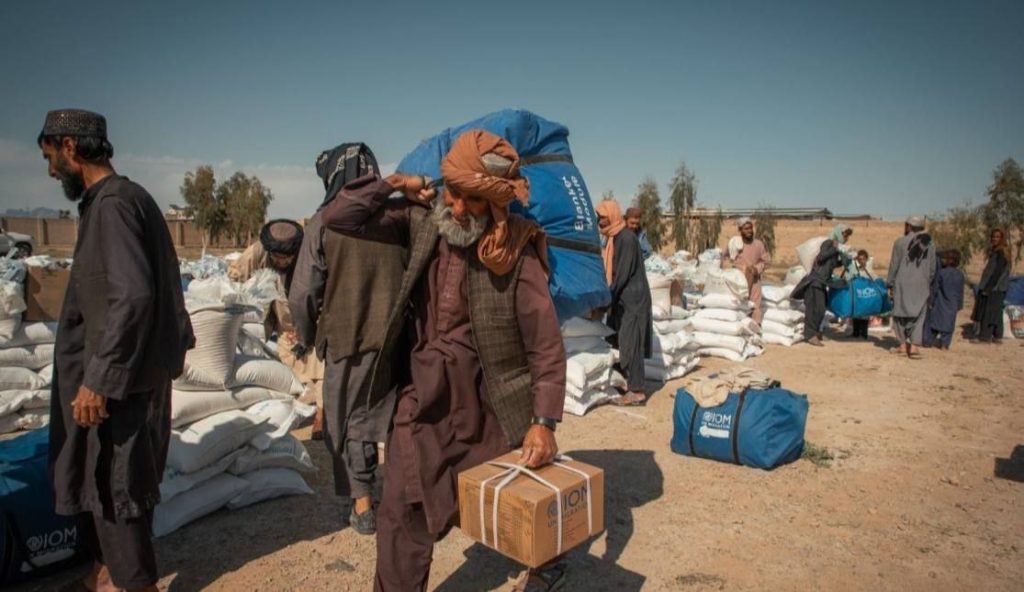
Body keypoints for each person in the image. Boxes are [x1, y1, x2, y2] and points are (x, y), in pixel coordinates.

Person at [321, 130, 566, 591]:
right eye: (453, 192)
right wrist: (394, 183)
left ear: (494, 204)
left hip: (486, 404)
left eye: (472, 200)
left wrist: (544, 421)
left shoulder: (514, 252)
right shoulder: (421, 219)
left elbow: (545, 343)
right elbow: (339, 217)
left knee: (511, 494)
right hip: (422, 396)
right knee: (402, 507)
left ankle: (548, 560)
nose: (457, 207)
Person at [38, 109, 194, 592]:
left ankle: (136, 585)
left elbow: (134, 295)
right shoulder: (124, 199)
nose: (50, 171)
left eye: (50, 157)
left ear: (70, 147)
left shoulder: (112, 206)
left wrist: (99, 379)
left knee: (115, 491)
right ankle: (102, 576)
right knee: (105, 486)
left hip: (119, 385)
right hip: (129, 376)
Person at [288, 143, 404, 535]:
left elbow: (302, 294)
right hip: (395, 339)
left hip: (346, 339)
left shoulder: (324, 222)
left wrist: (306, 336)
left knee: (350, 422)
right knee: (389, 419)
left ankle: (363, 505)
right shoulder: (396, 216)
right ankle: (398, 496)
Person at [597, 200, 653, 406]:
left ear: (612, 215)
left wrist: (606, 298)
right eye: (598, 218)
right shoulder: (614, 238)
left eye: (603, 217)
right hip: (622, 298)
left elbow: (621, 274)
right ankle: (623, 382)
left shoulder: (626, 239)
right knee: (616, 339)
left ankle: (637, 390)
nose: (600, 222)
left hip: (633, 299)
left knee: (632, 343)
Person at [227, 218, 304, 339]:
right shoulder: (256, 252)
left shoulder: (304, 257)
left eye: (286, 258)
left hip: (291, 318)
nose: (281, 262)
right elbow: (234, 279)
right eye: (276, 257)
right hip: (261, 311)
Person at [887, 216, 936, 357]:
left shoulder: (900, 242)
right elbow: (932, 268)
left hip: (902, 283)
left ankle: (902, 346)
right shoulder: (930, 244)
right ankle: (914, 347)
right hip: (921, 284)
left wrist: (889, 283)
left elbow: (894, 265)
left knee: (899, 314)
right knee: (919, 315)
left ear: (908, 226)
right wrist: (926, 281)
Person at [793, 224, 850, 346]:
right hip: (815, 281)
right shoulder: (828, 243)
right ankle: (810, 335)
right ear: (838, 233)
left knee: (821, 308)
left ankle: (815, 332)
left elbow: (831, 264)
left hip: (822, 282)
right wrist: (835, 248)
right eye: (845, 235)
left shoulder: (836, 248)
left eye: (847, 236)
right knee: (814, 309)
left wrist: (844, 260)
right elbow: (821, 258)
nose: (846, 238)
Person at [721, 217, 771, 324]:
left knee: (754, 307)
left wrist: (757, 269)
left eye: (750, 228)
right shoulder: (734, 243)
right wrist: (731, 265)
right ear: (740, 230)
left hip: (754, 282)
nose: (749, 231)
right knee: (737, 306)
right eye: (746, 229)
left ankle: (755, 328)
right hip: (736, 282)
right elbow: (724, 257)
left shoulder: (758, 244)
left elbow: (766, 262)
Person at [973, 229, 1012, 343]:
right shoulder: (999, 251)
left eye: (997, 237)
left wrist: (988, 288)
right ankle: (997, 336)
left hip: (995, 287)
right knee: (996, 312)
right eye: (993, 237)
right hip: (999, 287)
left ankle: (985, 337)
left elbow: (997, 272)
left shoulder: (1001, 252)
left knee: (988, 312)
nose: (995, 239)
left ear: (1002, 238)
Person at [925, 250, 965, 349]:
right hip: (953, 305)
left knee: (934, 324)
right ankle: (944, 345)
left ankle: (928, 342)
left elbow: (935, 288)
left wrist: (931, 301)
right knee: (948, 326)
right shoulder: (960, 275)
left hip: (940, 303)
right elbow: (960, 292)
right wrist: (959, 304)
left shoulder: (942, 273)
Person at [849, 249, 874, 339]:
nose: (861, 261)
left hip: (866, 296)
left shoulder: (869, 270)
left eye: (863, 259)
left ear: (866, 259)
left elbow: (873, 279)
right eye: (860, 259)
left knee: (865, 315)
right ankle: (855, 333)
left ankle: (864, 334)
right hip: (857, 296)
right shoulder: (855, 270)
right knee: (856, 314)